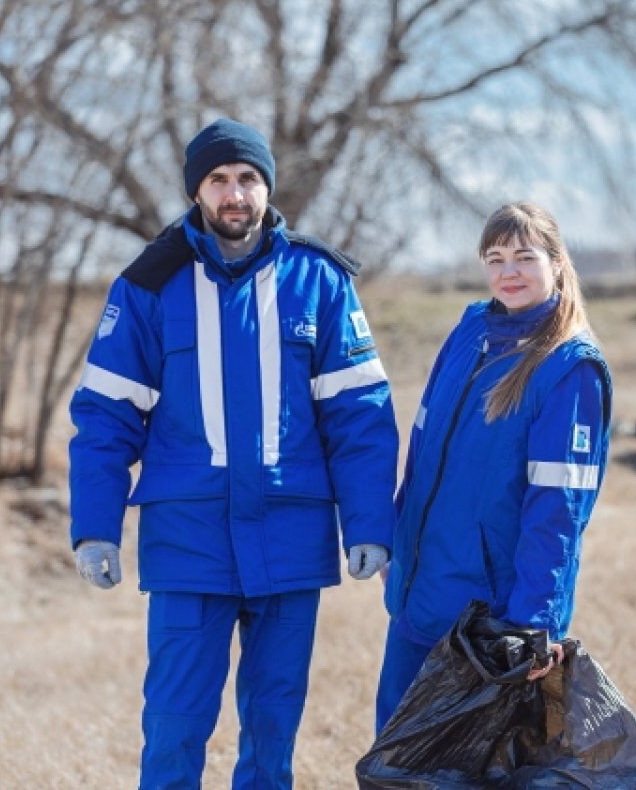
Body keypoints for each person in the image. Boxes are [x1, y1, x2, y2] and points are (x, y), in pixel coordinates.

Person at [68, 118, 399, 789]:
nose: (235, 194)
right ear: (197, 192)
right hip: (188, 541)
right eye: (218, 180)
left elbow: (359, 417)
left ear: (266, 187)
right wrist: (95, 526)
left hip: (291, 536)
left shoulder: (319, 280)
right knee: (173, 725)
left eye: (247, 178)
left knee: (273, 732)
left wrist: (368, 525)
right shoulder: (147, 284)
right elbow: (105, 418)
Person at [374, 202, 612, 732]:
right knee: (394, 760)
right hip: (419, 597)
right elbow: (422, 452)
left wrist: (534, 624)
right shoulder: (469, 331)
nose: (509, 272)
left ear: (557, 262)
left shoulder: (570, 368)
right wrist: (398, 537)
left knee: (471, 771)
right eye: (495, 257)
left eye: (525, 257)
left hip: (489, 622)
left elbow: (558, 511)